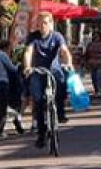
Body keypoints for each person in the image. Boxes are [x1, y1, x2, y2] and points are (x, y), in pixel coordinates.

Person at [23, 11, 73, 148]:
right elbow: (28, 52)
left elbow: (64, 51)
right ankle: (41, 133)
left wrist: (68, 63)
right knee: (38, 101)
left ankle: (61, 112)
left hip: (54, 70)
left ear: (51, 24)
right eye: (39, 23)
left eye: (45, 23)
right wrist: (28, 67)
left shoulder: (57, 37)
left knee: (62, 83)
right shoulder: (33, 37)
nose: (42, 26)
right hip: (38, 71)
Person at [0, 39, 24, 137]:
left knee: (0, 105)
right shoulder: (2, 55)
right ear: (6, 48)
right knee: (3, 106)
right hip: (3, 82)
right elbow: (12, 68)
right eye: (9, 49)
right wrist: (19, 65)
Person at [82, 30, 101, 97]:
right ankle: (96, 90)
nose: (95, 37)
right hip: (92, 63)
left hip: (100, 63)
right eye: (94, 35)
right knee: (94, 78)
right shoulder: (90, 44)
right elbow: (86, 54)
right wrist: (85, 62)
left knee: (99, 77)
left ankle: (99, 91)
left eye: (97, 35)